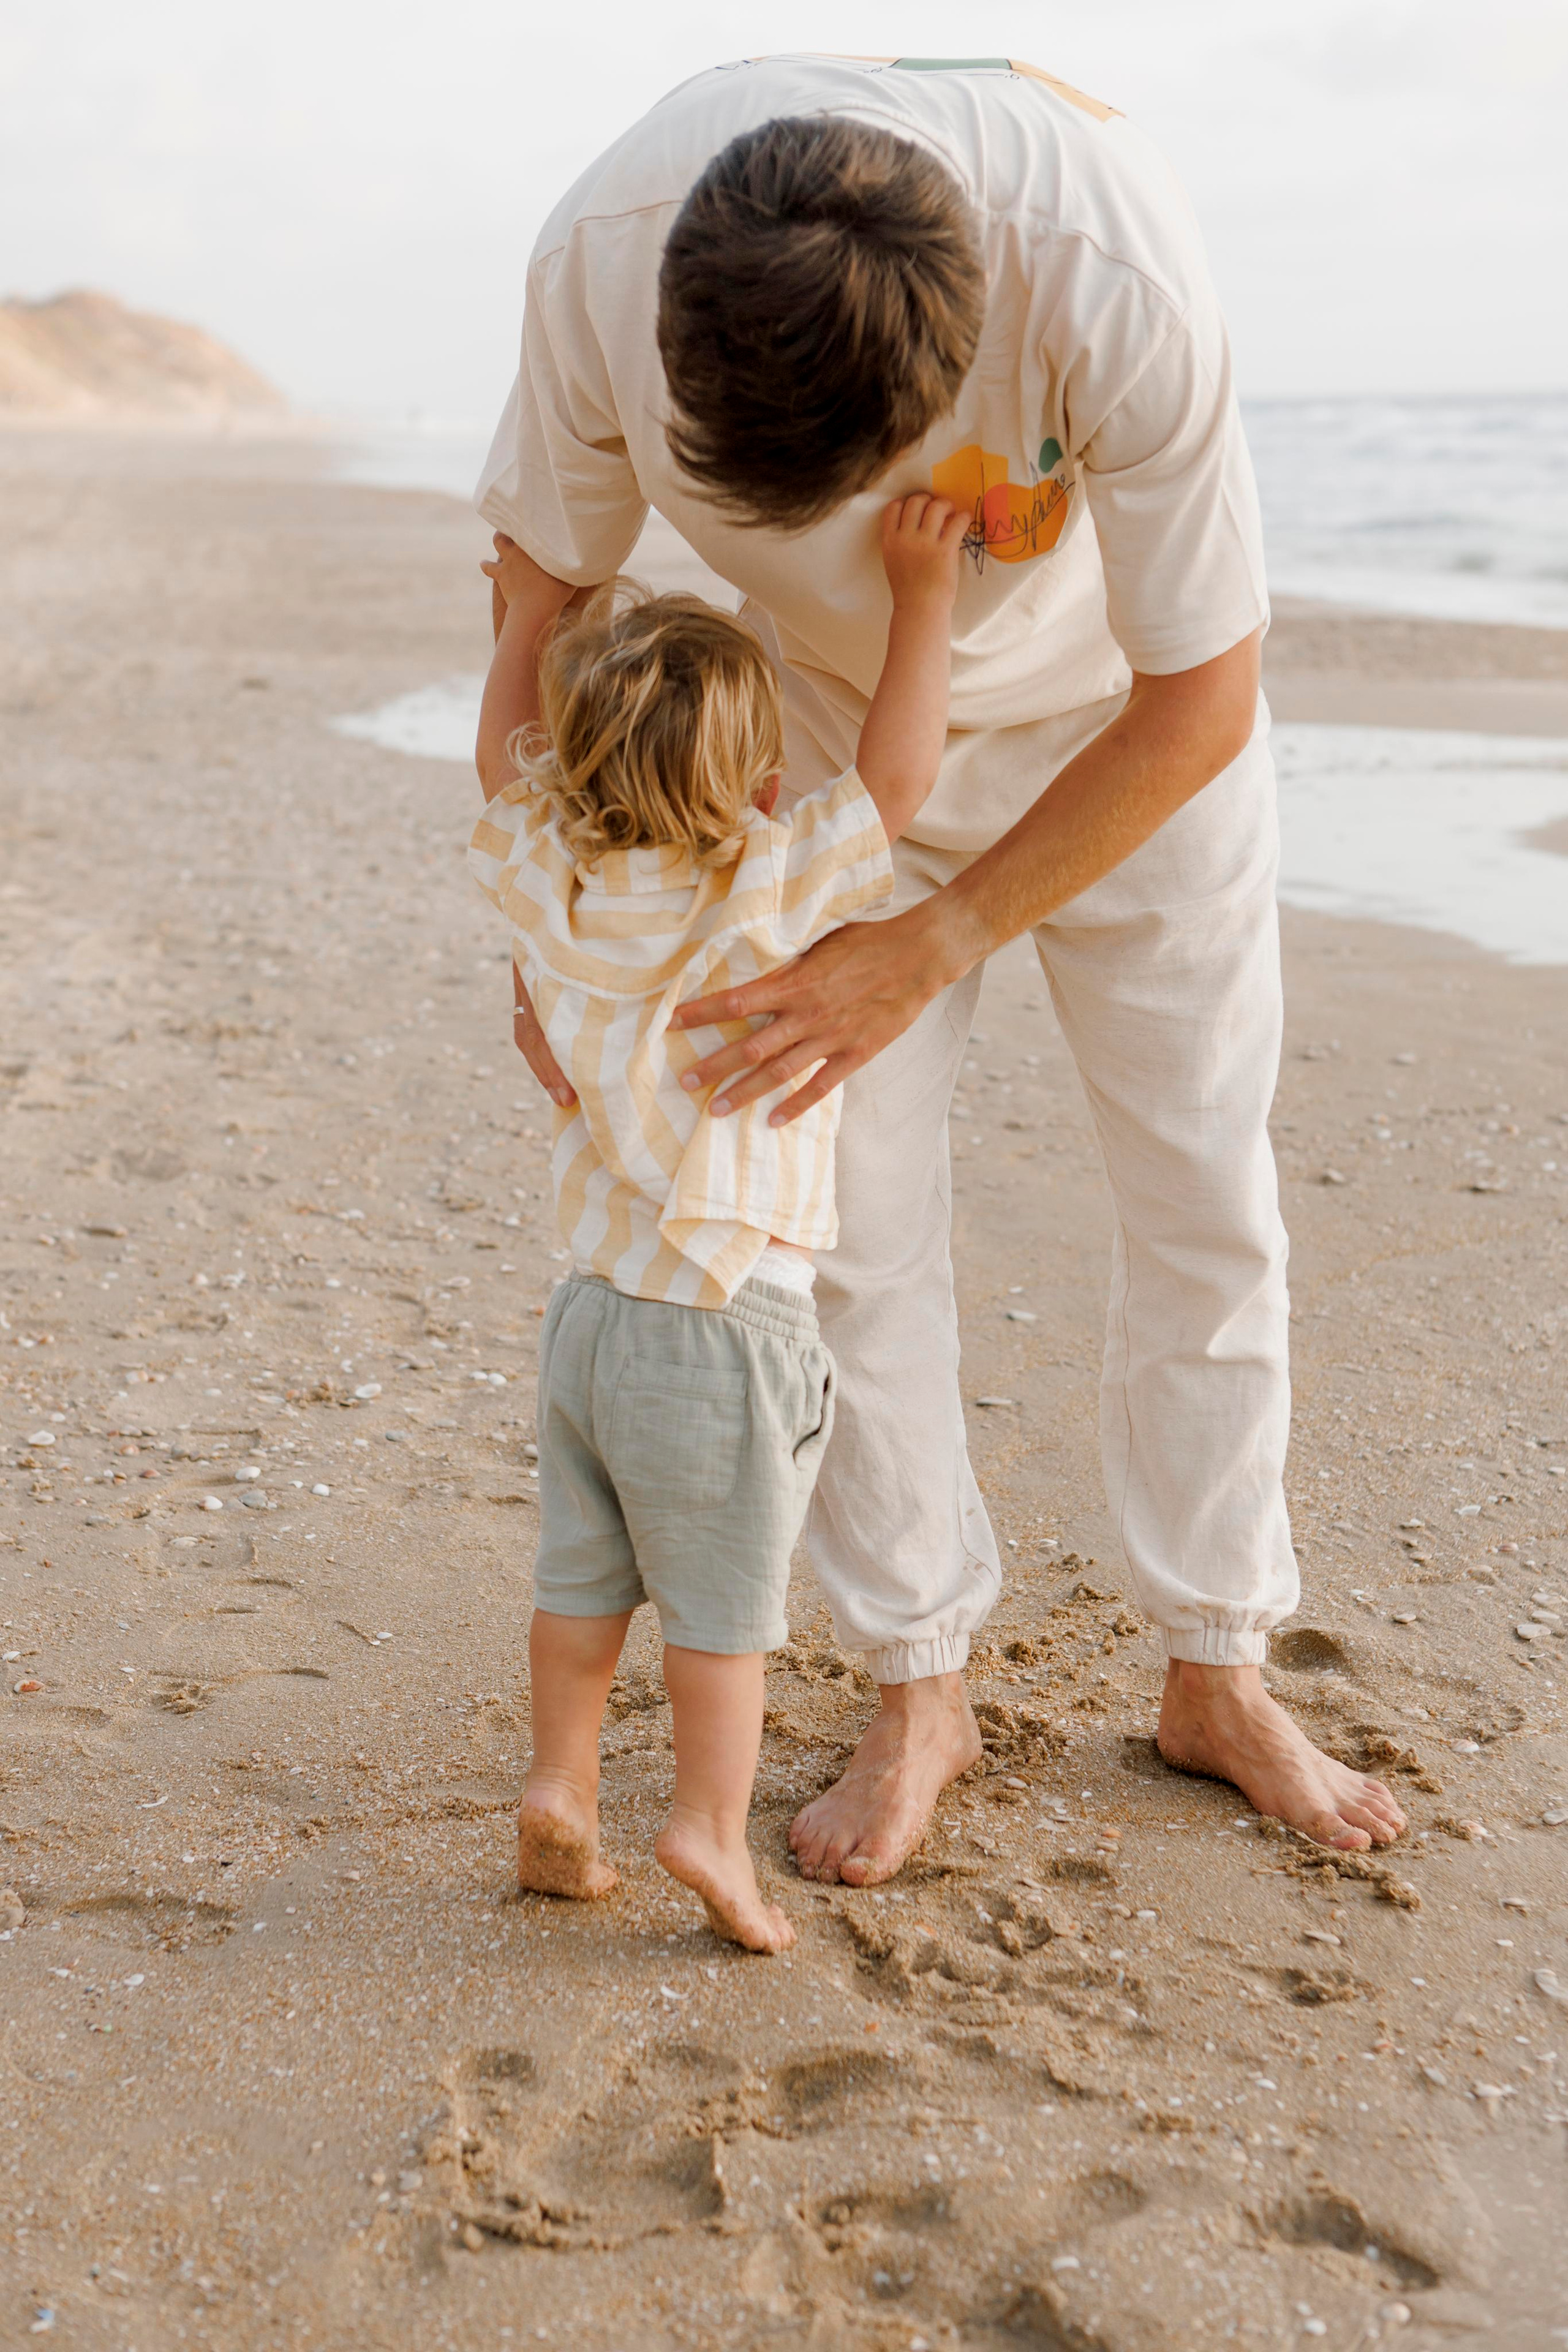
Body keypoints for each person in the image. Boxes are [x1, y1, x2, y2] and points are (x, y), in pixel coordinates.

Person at [475, 56, 1408, 1878]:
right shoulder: (598, 256)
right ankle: (921, 1685)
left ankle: (1217, 1664)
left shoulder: (1110, 274)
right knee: (846, 1227)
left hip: (1128, 729)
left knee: (1202, 1187)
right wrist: (557, 939)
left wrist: (943, 937)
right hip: (826, 740)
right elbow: (538, 602)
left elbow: (1201, 695)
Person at [468, 494, 967, 1949]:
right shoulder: (761, 883)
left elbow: (497, 763)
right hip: (725, 1322)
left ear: (574, 768)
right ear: (757, 782)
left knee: (582, 1582)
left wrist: (526, 616)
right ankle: (704, 1825)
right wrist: (923, 598)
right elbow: (897, 780)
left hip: (589, 1318)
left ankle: (561, 1785)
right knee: (720, 1615)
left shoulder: (556, 881)